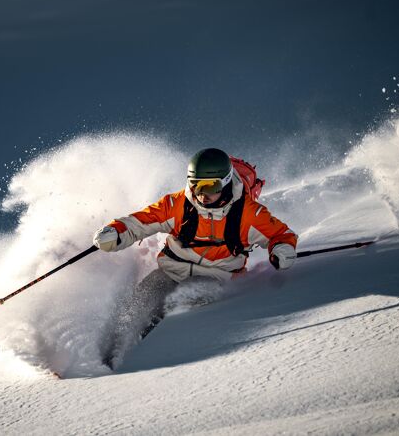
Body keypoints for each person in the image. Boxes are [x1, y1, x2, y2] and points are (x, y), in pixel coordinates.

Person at [93, 148, 297, 368]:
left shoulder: (248, 213)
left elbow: (280, 235)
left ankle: (147, 355)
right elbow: (140, 222)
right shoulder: (178, 204)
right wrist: (116, 233)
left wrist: (281, 251)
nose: (202, 194)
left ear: (226, 183)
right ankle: (103, 358)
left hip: (216, 277)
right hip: (171, 270)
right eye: (196, 185)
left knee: (183, 297)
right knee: (140, 301)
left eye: (211, 187)